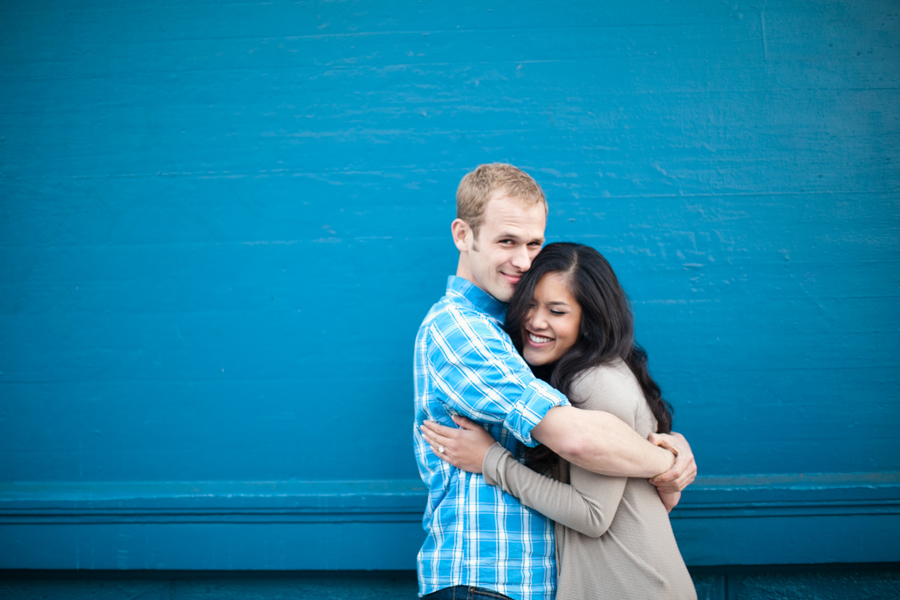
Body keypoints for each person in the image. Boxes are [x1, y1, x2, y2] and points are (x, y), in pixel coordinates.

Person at [414, 163, 696, 600]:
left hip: (531, 583)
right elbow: (575, 438)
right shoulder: (461, 329)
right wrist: (667, 462)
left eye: (533, 243)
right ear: (462, 235)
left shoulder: (514, 335)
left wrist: (666, 441)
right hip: (485, 580)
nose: (523, 260)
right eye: (506, 241)